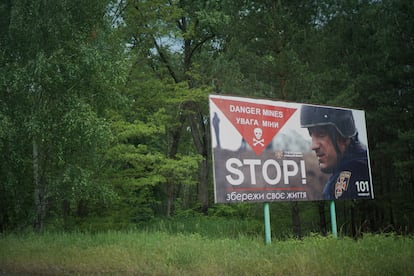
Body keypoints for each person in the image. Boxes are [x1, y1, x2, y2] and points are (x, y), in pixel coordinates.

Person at [300, 105, 371, 200]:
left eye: (321, 134)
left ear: (343, 137)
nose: (313, 146)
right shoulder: (366, 163)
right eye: (311, 135)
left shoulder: (342, 182)